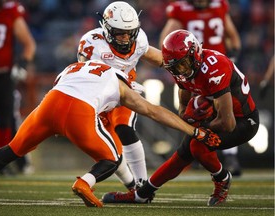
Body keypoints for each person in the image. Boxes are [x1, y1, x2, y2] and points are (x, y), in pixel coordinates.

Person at [0, 59, 221, 208]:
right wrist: (194, 132)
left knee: (11, 150)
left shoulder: (76, 66)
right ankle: (84, 182)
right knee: (112, 158)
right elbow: (154, 111)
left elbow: (65, 88)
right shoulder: (120, 84)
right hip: (78, 110)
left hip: (48, 104)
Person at [102, 30, 259, 206]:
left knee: (196, 146)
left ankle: (222, 179)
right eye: (176, 67)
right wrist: (191, 118)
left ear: (195, 54)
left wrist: (199, 127)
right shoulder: (181, 70)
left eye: (184, 63)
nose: (181, 70)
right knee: (183, 153)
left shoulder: (215, 67)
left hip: (243, 121)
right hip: (216, 116)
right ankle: (142, 195)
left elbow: (228, 124)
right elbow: (183, 109)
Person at [77, 1, 163, 189]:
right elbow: (83, 72)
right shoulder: (92, 43)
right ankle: (132, 185)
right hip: (99, 94)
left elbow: (154, 56)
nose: (125, 38)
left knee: (124, 128)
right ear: (107, 29)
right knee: (111, 149)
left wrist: (178, 66)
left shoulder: (139, 39)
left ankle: (143, 183)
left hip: (125, 93)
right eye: (119, 32)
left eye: (129, 32)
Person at [159, 0, 242, 176]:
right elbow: (166, 43)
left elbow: (233, 36)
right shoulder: (181, 10)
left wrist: (232, 60)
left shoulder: (218, 6)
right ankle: (201, 154)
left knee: (223, 113)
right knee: (196, 112)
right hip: (192, 68)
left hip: (211, 69)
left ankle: (227, 157)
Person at [0, 0, 36, 174]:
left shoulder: (11, 11)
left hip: (4, 75)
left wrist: (21, 65)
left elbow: (29, 44)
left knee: (5, 118)